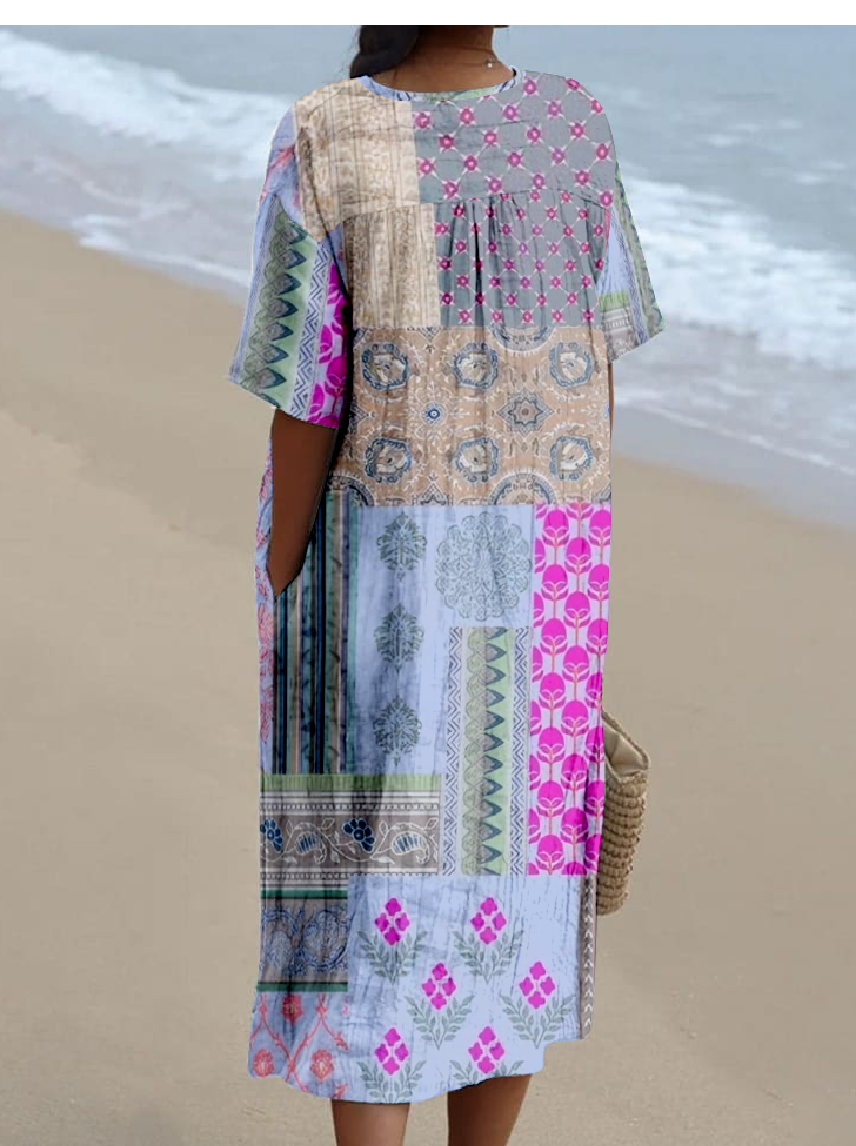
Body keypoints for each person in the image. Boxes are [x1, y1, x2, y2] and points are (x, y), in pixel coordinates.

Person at [228, 23, 664, 1146]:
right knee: (516, 883)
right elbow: (600, 360)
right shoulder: (572, 122)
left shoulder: (328, 128)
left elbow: (304, 389)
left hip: (386, 576)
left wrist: (282, 573)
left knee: (374, 882)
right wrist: (572, 548)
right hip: (548, 564)